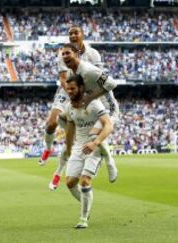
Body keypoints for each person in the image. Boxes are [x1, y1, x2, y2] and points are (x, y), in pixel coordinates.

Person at [39, 26, 114, 191]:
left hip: (86, 93)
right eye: (70, 33)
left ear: (82, 35)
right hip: (68, 91)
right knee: (51, 124)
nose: (73, 35)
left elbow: (98, 78)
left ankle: (59, 173)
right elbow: (63, 79)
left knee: (76, 139)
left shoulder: (93, 54)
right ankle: (48, 148)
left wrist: (88, 98)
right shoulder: (64, 53)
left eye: (76, 33)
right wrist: (73, 98)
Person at [64, 74, 113, 229]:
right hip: (79, 147)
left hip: (95, 145)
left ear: (81, 88)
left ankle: (83, 218)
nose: (69, 91)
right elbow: (70, 128)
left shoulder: (94, 104)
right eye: (67, 88)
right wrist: (68, 148)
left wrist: (96, 142)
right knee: (70, 182)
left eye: (72, 88)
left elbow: (108, 125)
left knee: (85, 181)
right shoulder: (69, 107)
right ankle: (86, 204)